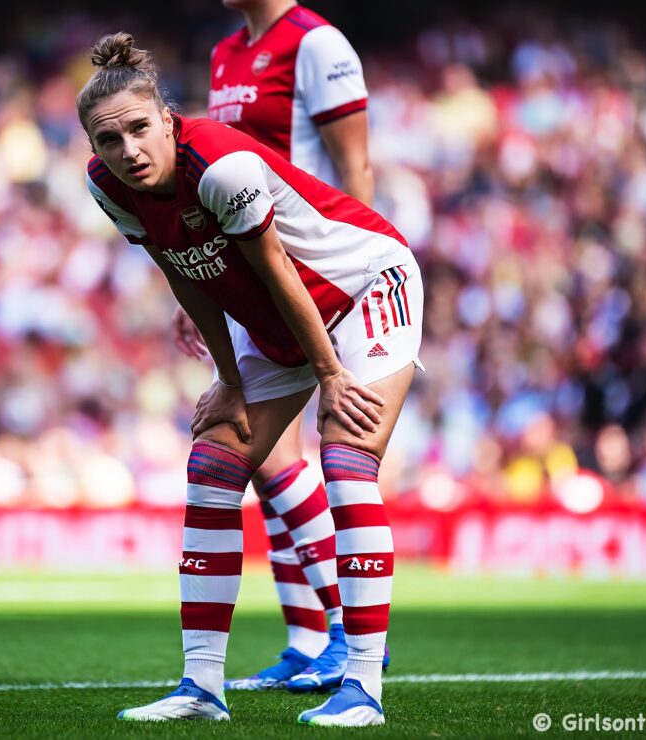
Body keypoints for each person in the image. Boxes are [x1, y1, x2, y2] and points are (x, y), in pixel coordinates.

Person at [78, 32, 422, 727]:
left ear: (169, 120)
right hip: (278, 321)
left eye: (140, 129)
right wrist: (229, 380)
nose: (129, 151)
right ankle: (202, 685)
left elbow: (278, 272)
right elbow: (186, 272)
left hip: (360, 291)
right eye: (109, 140)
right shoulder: (106, 186)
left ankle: (362, 686)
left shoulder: (221, 167)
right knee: (212, 465)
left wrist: (330, 373)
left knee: (346, 459)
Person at [173, 0, 377, 693]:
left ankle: (346, 635)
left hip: (307, 270)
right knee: (260, 462)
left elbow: (357, 170)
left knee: (273, 449)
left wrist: (350, 275)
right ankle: (309, 639)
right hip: (245, 273)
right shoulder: (226, 52)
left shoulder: (316, 44)